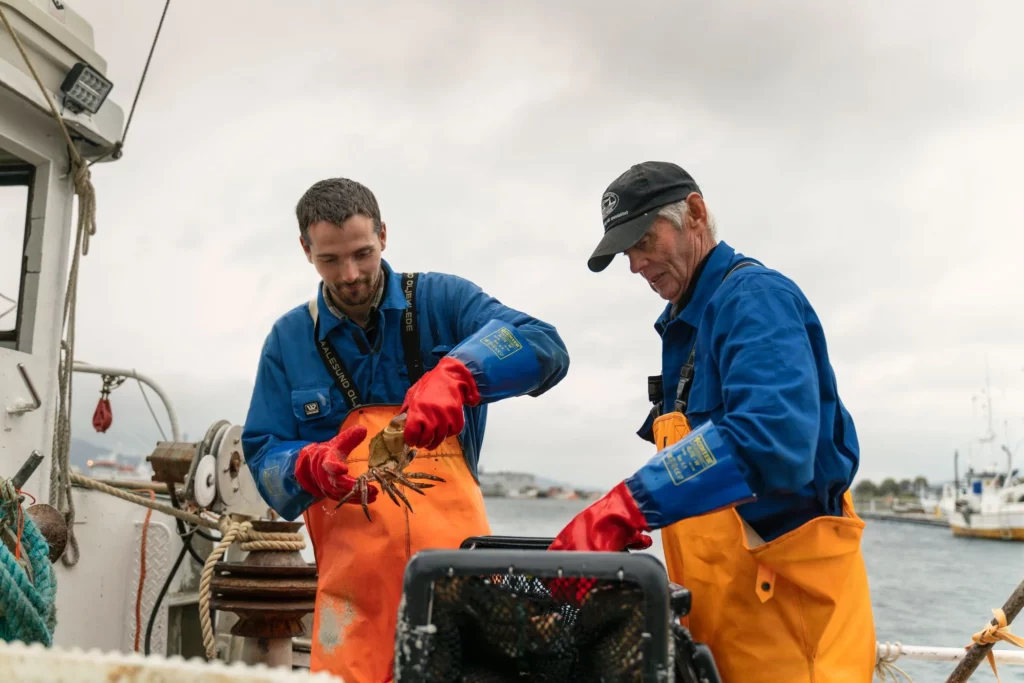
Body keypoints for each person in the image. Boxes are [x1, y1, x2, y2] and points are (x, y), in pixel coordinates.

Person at [548, 161, 876, 682]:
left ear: (695, 213)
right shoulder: (683, 325)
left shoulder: (756, 299)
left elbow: (771, 440)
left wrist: (628, 507)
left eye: (642, 241)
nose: (634, 264)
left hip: (792, 633)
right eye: (625, 252)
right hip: (721, 627)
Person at [241, 177, 570, 683]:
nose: (350, 274)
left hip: (460, 582)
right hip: (350, 599)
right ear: (306, 250)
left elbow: (543, 344)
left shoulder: (443, 300)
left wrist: (460, 374)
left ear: (384, 236)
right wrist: (305, 466)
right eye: (330, 260)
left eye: (362, 253)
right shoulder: (288, 340)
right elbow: (264, 453)